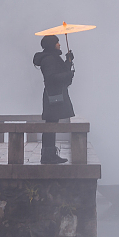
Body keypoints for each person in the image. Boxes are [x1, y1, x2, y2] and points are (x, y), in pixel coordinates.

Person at [33, 34, 75, 164]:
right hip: (53, 96)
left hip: (54, 95)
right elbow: (51, 78)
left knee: (52, 124)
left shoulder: (53, 58)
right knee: (51, 125)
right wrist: (68, 74)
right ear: (52, 44)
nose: (59, 44)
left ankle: (49, 154)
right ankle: (48, 155)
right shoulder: (50, 59)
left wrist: (68, 61)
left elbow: (59, 73)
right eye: (57, 42)